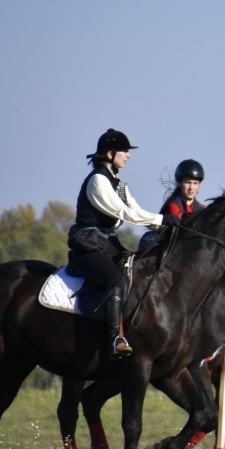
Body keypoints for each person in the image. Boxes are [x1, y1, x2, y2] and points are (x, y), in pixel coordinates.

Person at [68, 128, 181, 360]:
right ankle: (114, 340)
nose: (128, 155)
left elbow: (137, 210)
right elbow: (125, 213)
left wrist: (169, 227)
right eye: (124, 151)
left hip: (109, 244)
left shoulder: (118, 182)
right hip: (89, 247)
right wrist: (162, 219)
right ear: (110, 154)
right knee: (116, 279)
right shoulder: (98, 181)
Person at [139, 159, 206, 251]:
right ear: (180, 183)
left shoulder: (202, 208)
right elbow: (183, 233)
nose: (191, 188)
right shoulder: (173, 205)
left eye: (195, 183)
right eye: (188, 182)